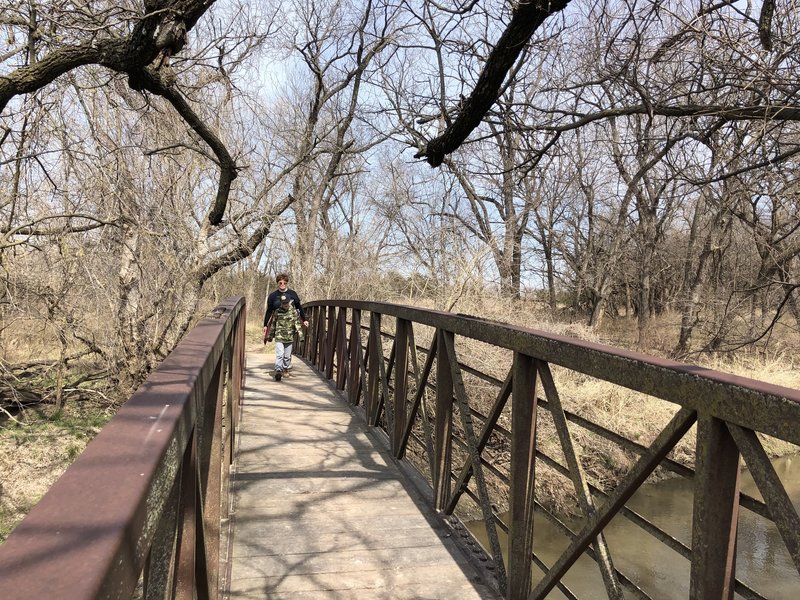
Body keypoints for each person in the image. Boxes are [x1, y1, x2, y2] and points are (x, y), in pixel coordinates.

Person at [263, 273, 308, 372]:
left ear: (287, 283)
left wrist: (304, 319)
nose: (282, 284)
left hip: (290, 325)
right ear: (277, 283)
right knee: (280, 351)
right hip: (278, 324)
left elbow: (299, 307)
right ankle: (279, 369)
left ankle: (286, 366)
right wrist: (265, 325)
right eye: (280, 282)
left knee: (287, 350)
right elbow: (269, 311)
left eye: (285, 282)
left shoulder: (293, 294)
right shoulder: (273, 296)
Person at [265, 294, 304, 381]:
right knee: (279, 354)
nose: (285, 305)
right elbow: (273, 325)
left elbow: (297, 324)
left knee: (287, 356)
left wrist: (301, 336)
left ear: (290, 302)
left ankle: (286, 369)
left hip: (289, 337)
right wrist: (270, 336)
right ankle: (278, 370)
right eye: (283, 303)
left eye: (286, 303)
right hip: (279, 336)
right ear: (281, 303)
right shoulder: (277, 312)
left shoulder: (293, 312)